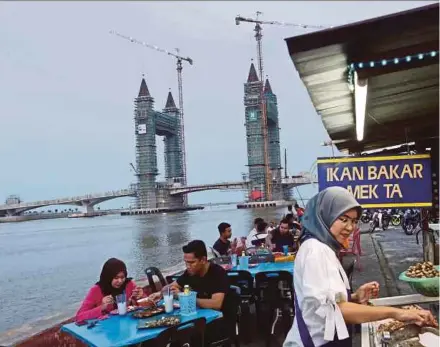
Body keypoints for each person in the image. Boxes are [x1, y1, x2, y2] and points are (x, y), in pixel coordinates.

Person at [284, 187, 437, 347]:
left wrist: (354, 298)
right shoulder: (315, 250)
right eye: (343, 219)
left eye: (354, 221)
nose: (350, 227)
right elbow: (336, 310)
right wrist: (399, 313)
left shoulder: (325, 248)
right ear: (325, 216)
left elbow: (321, 301)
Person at [75, 258, 145, 322]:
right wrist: (102, 307)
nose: (120, 281)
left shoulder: (129, 284)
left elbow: (148, 305)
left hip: (128, 324)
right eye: (116, 278)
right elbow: (79, 316)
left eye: (122, 277)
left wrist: (141, 297)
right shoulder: (97, 290)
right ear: (108, 277)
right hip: (106, 330)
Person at [168, 240, 229, 310]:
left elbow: (216, 304)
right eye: (186, 262)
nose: (188, 266)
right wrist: (160, 294)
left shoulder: (218, 273)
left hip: (219, 316)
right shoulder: (190, 273)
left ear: (203, 260)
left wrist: (184, 297)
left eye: (191, 262)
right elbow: (171, 286)